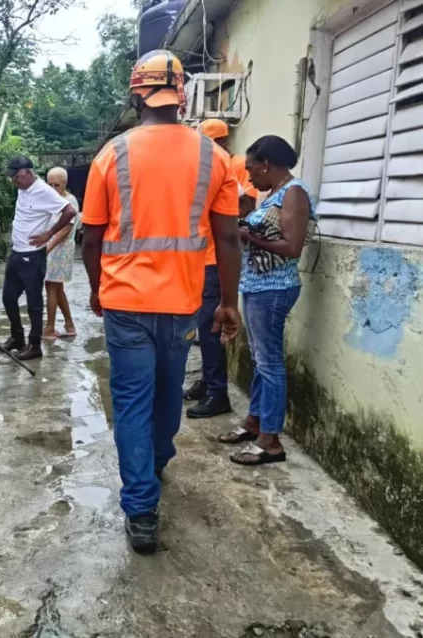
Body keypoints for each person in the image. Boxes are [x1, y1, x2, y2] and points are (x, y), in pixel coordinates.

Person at [82, 50, 242, 554]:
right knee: (169, 393)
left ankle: (142, 509)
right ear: (183, 94)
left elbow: (91, 236)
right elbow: (229, 237)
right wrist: (228, 303)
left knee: (131, 403)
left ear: (137, 93)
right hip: (183, 304)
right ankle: (153, 464)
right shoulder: (215, 158)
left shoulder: (112, 154)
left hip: (126, 302)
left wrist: (96, 288)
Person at [218, 135, 317, 466]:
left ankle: (270, 440)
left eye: (251, 170)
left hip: (275, 287)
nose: (249, 177)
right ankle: (255, 423)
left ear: (266, 164)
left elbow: (292, 247)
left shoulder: (294, 193)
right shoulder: (273, 195)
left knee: (270, 363)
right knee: (262, 359)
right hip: (259, 285)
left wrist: (245, 235)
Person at [184, 119, 260, 419]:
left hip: (217, 260)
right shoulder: (211, 167)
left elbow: (245, 207)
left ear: (220, 142)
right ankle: (208, 381)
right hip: (200, 258)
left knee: (211, 327)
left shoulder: (233, 164)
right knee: (202, 327)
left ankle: (218, 393)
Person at [4, 155, 77, 361]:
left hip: (33, 256)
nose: (14, 181)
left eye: (17, 176)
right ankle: (17, 337)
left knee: (34, 302)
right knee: (8, 298)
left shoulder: (44, 191)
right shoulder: (22, 188)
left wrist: (49, 234)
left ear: (28, 173)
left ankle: (34, 344)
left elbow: (69, 211)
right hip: (17, 253)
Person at [43, 167, 79, 341]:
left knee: (51, 288)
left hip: (60, 251)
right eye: (49, 184)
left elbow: (64, 230)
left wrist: (47, 248)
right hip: (53, 248)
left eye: (56, 185)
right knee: (57, 289)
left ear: (64, 184)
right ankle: (69, 325)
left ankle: (50, 328)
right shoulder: (52, 200)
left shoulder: (69, 201)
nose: (52, 188)